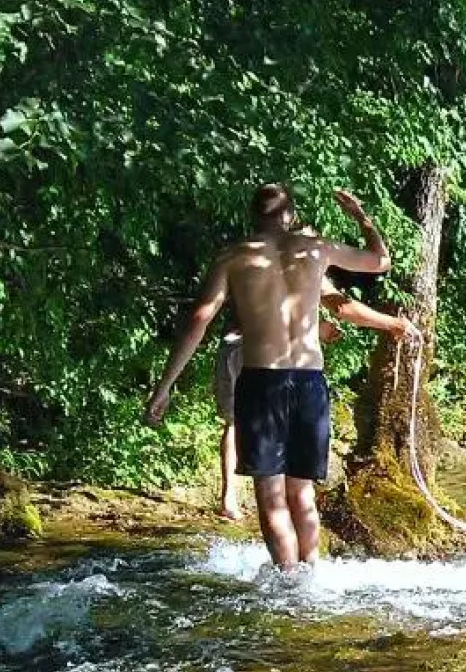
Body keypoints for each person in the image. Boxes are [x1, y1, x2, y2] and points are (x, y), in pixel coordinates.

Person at [146, 185, 412, 570]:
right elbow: (380, 262)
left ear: (253, 215)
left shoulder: (234, 256)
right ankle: (310, 578)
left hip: (262, 381)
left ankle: (287, 584)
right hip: (308, 381)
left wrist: (165, 385)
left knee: (271, 499)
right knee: (302, 495)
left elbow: (199, 320)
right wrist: (361, 216)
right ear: (290, 215)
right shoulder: (316, 250)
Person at [210, 277, 417, 519]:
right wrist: (391, 323)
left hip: (243, 348)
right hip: (257, 352)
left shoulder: (252, 259)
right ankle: (278, 501)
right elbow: (339, 307)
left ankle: (234, 497)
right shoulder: (301, 261)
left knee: (236, 421)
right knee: (255, 421)